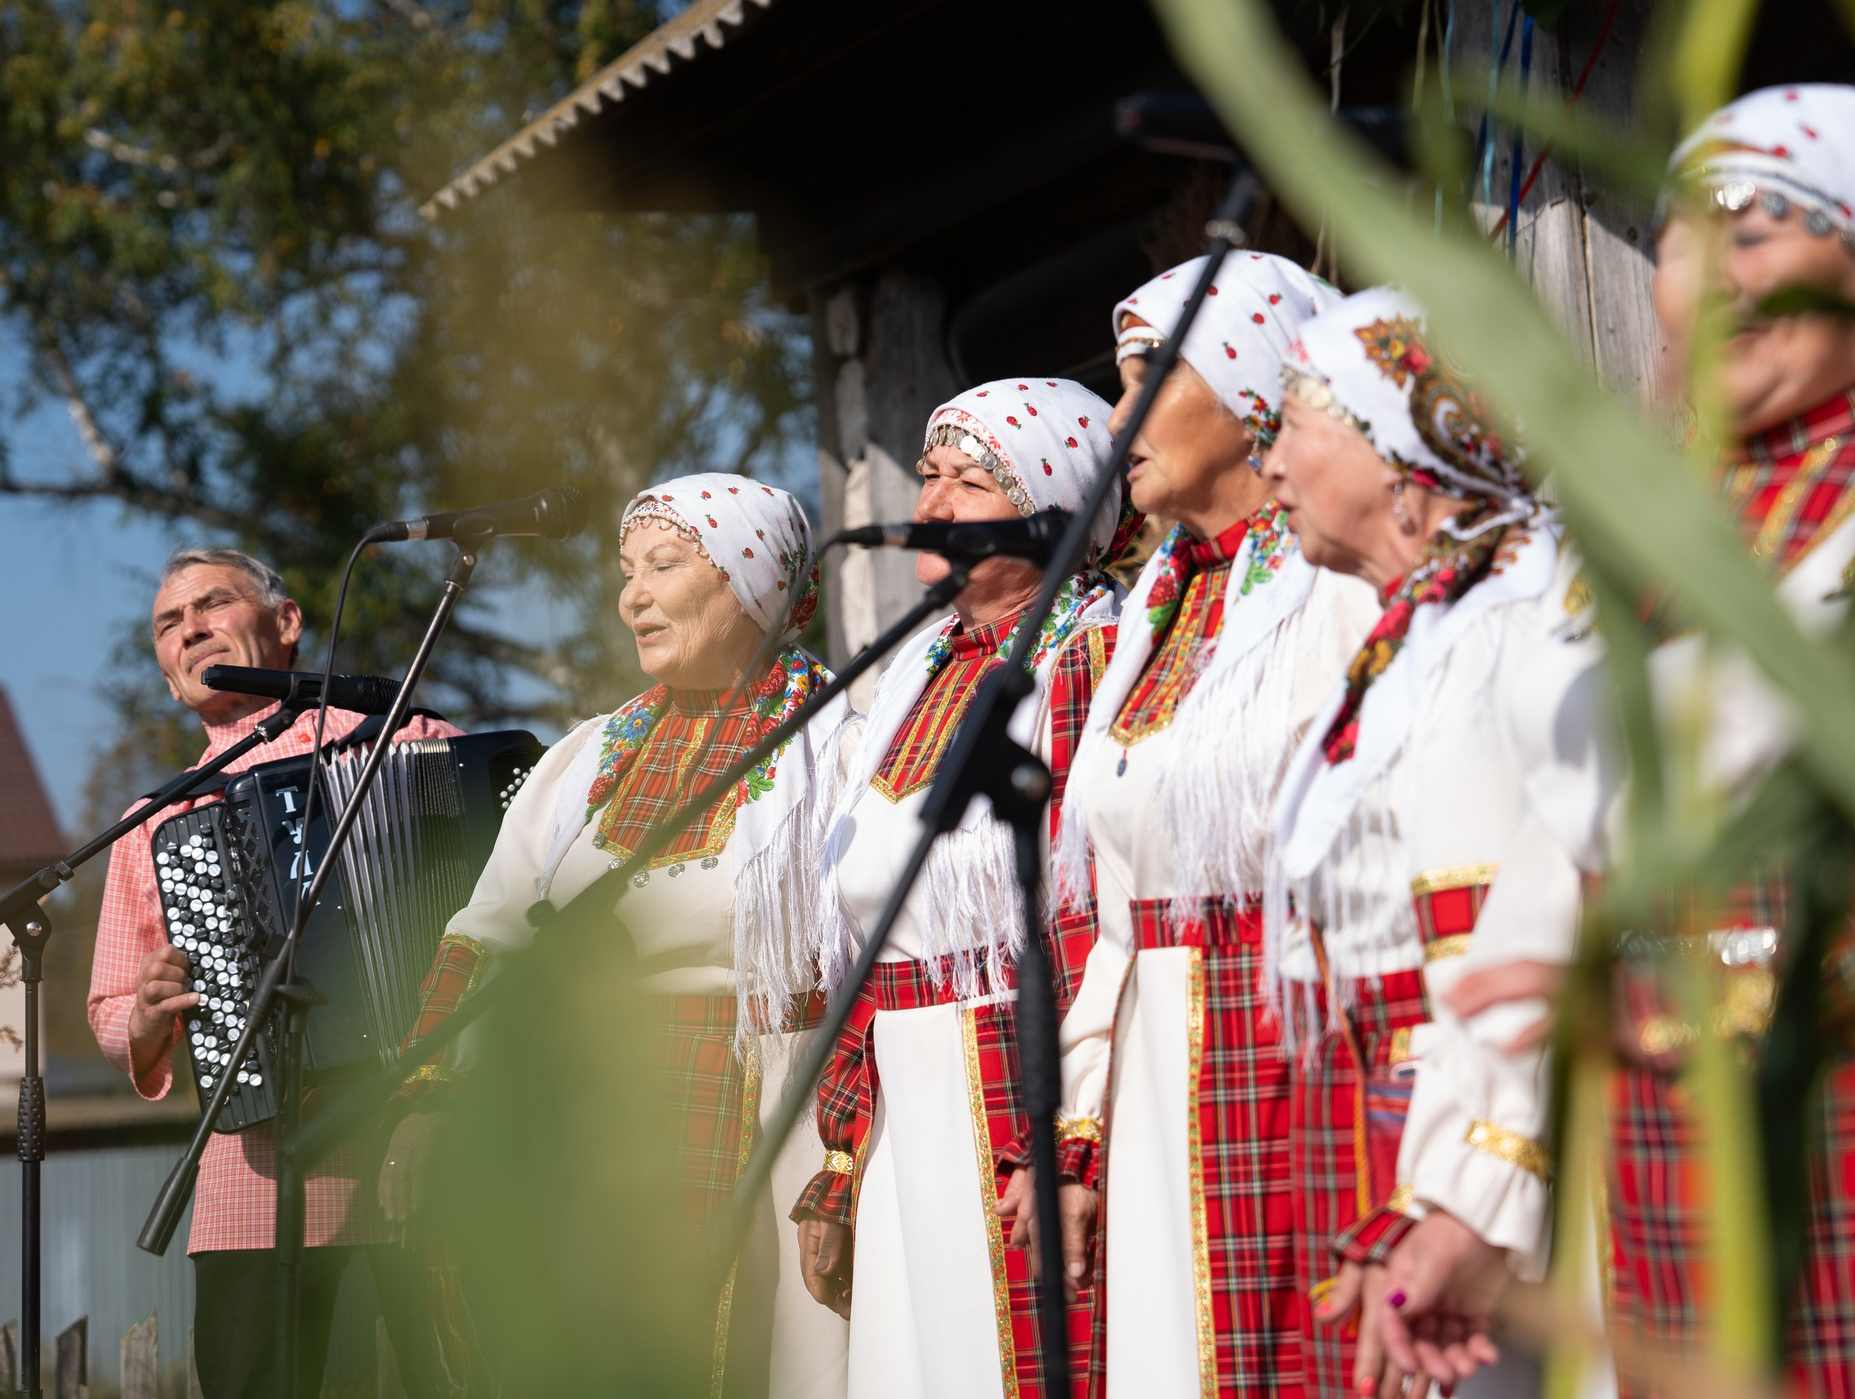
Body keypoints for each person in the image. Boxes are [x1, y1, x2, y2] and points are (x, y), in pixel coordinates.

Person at [1597, 85, 1855, 1395]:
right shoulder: (1658, 538)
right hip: (1661, 1082)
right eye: (1678, 241)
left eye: (1755, 234)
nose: (1705, 283)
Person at [379, 476, 857, 1399]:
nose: (631, 594)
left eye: (664, 566)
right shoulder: (588, 755)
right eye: (626, 570)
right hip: (586, 1116)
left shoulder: (834, 751)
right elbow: (488, 933)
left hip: (763, 1110)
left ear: (751, 580)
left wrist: (842, 1163)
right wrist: (428, 1095)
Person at [1030, 253, 1376, 1398]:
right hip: (1158, 1078)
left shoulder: (1341, 583)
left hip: (1300, 1046)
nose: (1116, 414)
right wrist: (1077, 1129)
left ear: (1251, 384)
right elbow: (1111, 918)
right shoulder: (1150, 612)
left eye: (1144, 375)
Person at [1259, 290, 1612, 1399]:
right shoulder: (1423, 631)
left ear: (1387, 437)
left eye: (1290, 428)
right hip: (1400, 1132)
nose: (1270, 467)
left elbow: (1537, 914)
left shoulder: (1524, 616)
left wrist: (1467, 1186)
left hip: (1498, 1155)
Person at [788, 377, 1129, 1399]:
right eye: (927, 475)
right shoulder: (912, 675)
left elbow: (1083, 914)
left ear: (1051, 506)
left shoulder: (1094, 654)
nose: (928, 504)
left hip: (1007, 1082)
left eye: (967, 480)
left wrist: (1062, 1142)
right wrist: (841, 1159)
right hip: (906, 1102)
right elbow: (868, 942)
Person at [86, 546, 465, 1399]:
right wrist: (145, 1014)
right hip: (248, 1187)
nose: (190, 629)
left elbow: (504, 926)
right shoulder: (155, 819)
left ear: (285, 623)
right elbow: (110, 1008)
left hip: (420, 1164)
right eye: (167, 624)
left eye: (212, 605)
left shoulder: (405, 739)